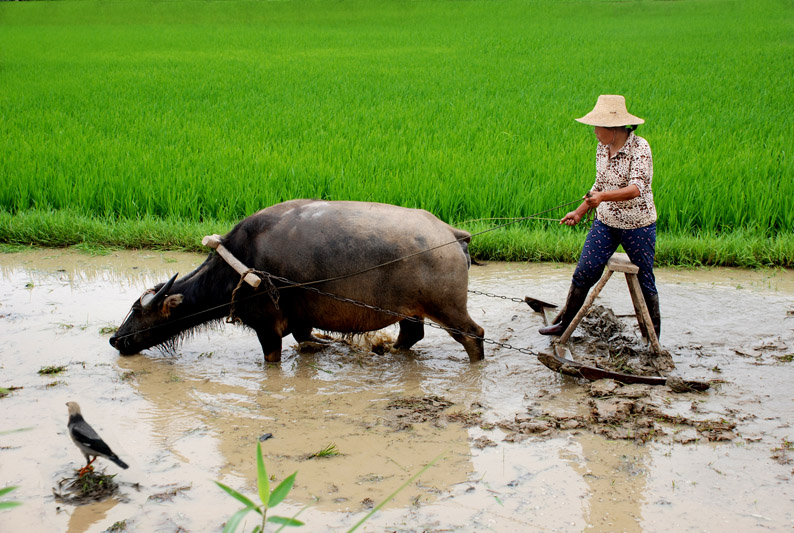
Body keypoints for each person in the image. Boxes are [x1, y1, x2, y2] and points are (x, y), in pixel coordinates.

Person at [539, 94, 660, 340]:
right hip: (605, 223)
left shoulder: (640, 148)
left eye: (597, 126)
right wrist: (580, 211)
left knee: (645, 280)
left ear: (613, 129)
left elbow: (637, 188)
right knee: (584, 271)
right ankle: (565, 324)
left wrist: (602, 197)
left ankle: (652, 338)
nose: (594, 131)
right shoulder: (601, 148)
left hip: (638, 225)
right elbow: (599, 183)